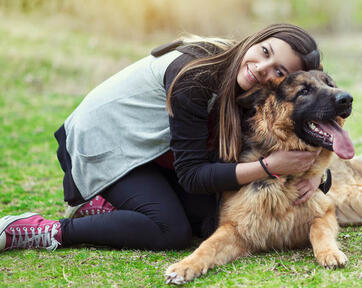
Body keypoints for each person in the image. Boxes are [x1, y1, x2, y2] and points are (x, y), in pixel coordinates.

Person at [0, 23, 326, 252]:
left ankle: (111, 207)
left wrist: (316, 175)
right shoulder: (198, 75)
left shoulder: (247, 86)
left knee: (209, 218)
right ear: (257, 39)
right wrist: (270, 167)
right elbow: (193, 175)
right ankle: (43, 231)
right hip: (106, 147)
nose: (263, 67)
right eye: (265, 51)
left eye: (280, 71)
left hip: (151, 152)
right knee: (170, 230)